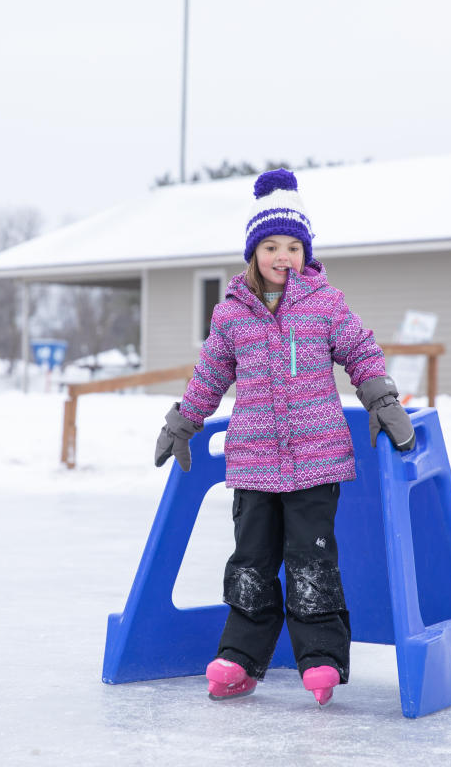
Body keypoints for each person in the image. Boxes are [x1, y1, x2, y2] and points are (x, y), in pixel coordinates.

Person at [154, 169, 415, 707]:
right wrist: (183, 420)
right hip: (252, 464)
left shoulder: (324, 304)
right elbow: (209, 376)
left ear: (306, 253)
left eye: (293, 246)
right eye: (270, 245)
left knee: (311, 560)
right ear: (253, 253)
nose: (282, 256)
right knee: (250, 560)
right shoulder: (231, 314)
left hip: (317, 461)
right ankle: (241, 658)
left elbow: (360, 351)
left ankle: (320, 658)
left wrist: (382, 399)